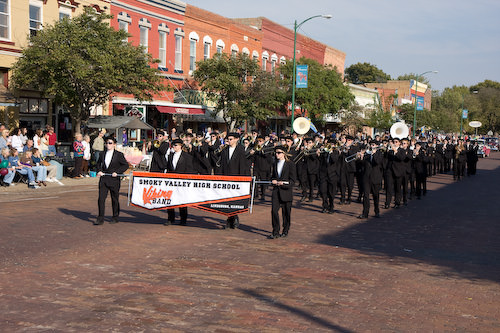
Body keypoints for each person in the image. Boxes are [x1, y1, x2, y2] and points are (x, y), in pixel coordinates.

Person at [216, 132, 250, 229]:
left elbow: (242, 165)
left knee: (234, 200)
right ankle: (229, 219)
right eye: (228, 139)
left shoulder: (241, 150)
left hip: (236, 178)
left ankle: (234, 217)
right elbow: (221, 164)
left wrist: (240, 179)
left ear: (236, 139)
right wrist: (220, 177)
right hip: (226, 177)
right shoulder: (224, 150)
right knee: (226, 200)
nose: (229, 141)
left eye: (231, 139)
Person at [95, 137, 129, 225]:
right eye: (107, 143)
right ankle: (100, 218)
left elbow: (125, 165)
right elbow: (98, 164)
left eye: (110, 143)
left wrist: (117, 172)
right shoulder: (102, 154)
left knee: (114, 199)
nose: (108, 145)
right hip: (104, 178)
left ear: (114, 144)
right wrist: (99, 171)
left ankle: (115, 217)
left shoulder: (119, 154)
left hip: (114, 179)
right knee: (101, 199)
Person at [269, 145, 296, 239]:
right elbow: (272, 176)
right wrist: (273, 181)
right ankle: (275, 231)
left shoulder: (290, 164)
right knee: (274, 211)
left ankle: (285, 230)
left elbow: (293, 180)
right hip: (276, 191)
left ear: (284, 153)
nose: (277, 154)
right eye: (276, 153)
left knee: (286, 213)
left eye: (279, 153)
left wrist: (283, 184)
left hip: (286, 192)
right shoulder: (275, 163)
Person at [165, 139, 194, 226]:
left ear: (181, 146)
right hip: (172, 182)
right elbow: (169, 168)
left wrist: (186, 179)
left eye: (176, 145)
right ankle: (170, 218)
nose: (174, 147)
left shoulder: (187, 156)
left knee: (182, 201)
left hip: (182, 182)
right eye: (173, 145)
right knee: (170, 201)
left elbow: (189, 169)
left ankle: (183, 219)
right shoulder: (170, 156)